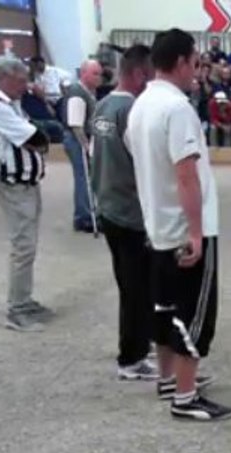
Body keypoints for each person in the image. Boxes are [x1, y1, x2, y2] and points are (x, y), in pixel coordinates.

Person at [126, 28, 231, 421]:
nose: (197, 71)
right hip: (185, 226)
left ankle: (170, 379)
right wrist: (195, 232)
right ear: (181, 62)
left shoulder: (140, 106)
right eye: (195, 62)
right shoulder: (177, 109)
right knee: (194, 312)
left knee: (164, 305)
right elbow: (186, 174)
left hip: (157, 225)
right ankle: (186, 398)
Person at [90, 44, 158, 381]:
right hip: (131, 214)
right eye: (149, 75)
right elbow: (146, 164)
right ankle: (132, 357)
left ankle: (137, 349)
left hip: (109, 207)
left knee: (129, 284)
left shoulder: (102, 105)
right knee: (137, 288)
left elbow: (95, 157)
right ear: (139, 74)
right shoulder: (133, 111)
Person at [0, 58, 51, 332]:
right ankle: (17, 309)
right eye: (21, 81)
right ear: (5, 79)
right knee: (22, 246)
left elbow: (38, 135)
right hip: (13, 186)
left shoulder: (12, 102)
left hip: (26, 184)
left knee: (28, 244)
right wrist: (40, 141)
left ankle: (24, 299)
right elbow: (35, 138)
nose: (26, 86)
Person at [62, 60, 102, 233]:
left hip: (82, 138)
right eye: (95, 73)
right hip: (77, 139)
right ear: (84, 73)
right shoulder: (78, 93)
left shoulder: (87, 91)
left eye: (99, 73)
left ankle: (86, 213)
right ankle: (83, 217)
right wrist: (86, 147)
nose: (99, 78)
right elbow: (76, 124)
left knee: (86, 178)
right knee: (83, 178)